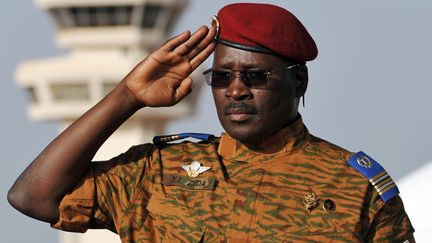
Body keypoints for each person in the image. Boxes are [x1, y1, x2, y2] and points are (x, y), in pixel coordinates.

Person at [8, 3, 414, 242]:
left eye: (255, 77)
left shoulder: (354, 187)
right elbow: (32, 197)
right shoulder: (156, 170)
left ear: (299, 80)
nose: (235, 91)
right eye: (221, 77)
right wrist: (127, 96)